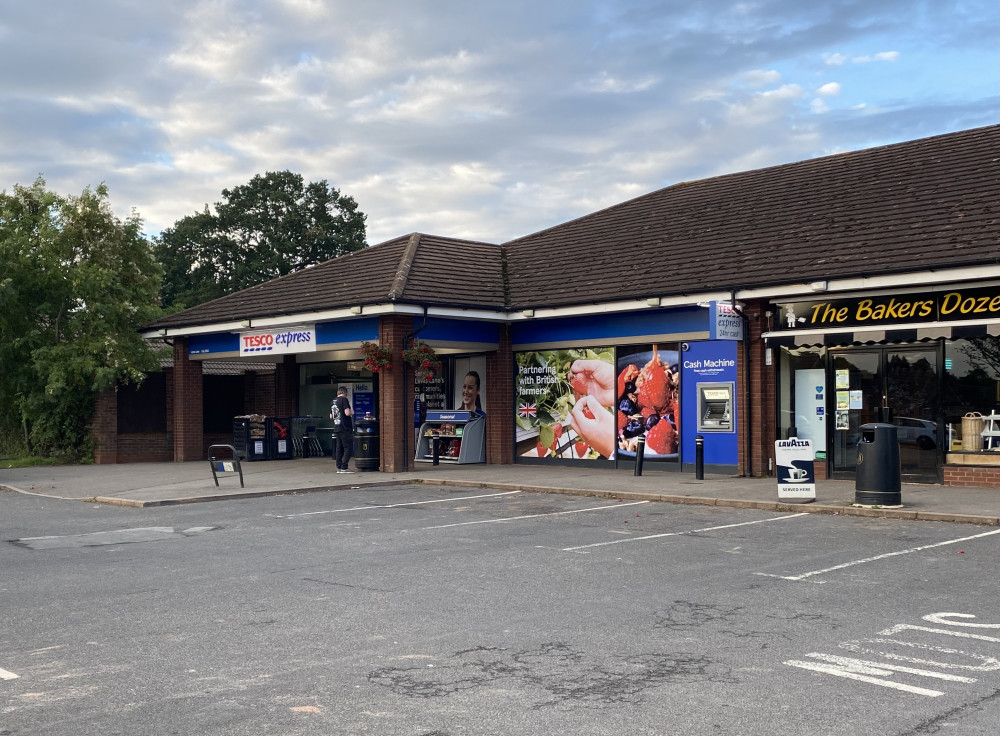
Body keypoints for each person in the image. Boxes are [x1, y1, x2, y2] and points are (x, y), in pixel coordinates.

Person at [330, 386, 354, 473]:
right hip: (345, 427)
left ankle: (339, 467)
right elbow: (347, 413)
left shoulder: (333, 401)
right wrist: (352, 412)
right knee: (348, 447)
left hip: (337, 426)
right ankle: (344, 467)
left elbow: (331, 416)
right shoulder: (344, 400)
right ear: (345, 393)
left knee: (339, 448)